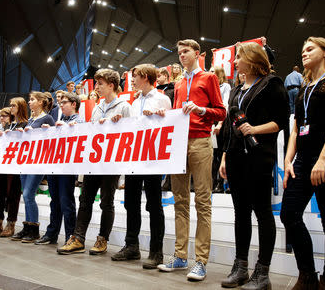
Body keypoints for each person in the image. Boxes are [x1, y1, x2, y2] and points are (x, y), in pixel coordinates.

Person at [280, 37, 325, 290]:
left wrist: (323, 159)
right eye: (302, 50)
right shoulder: (304, 88)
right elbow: (295, 129)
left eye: (310, 49)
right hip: (303, 160)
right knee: (289, 214)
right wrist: (288, 160)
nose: (304, 53)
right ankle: (308, 275)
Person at [219, 42, 289, 289]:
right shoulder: (236, 90)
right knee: (241, 213)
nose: (235, 61)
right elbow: (230, 128)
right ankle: (240, 267)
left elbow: (280, 121)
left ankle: (263, 273)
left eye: (239, 57)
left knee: (262, 212)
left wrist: (255, 129)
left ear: (251, 59)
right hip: (236, 158)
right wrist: (225, 157)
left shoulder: (272, 83)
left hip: (259, 156)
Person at [157, 39, 226, 281]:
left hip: (200, 141)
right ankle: (180, 256)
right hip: (178, 143)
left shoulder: (208, 78)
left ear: (197, 53)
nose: (181, 56)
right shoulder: (177, 84)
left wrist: (201, 110)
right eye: (179, 53)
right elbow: (177, 112)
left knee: (203, 201)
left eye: (185, 52)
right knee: (180, 201)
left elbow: (221, 111)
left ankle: (200, 261)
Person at [57, 68, 131, 255]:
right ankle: (78, 238)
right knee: (85, 199)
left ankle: (102, 239)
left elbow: (131, 136)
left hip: (112, 162)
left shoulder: (124, 106)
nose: (96, 87)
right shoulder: (97, 107)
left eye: (100, 83)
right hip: (95, 161)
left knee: (106, 201)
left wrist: (119, 124)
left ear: (111, 85)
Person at [110, 64, 171, 269]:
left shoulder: (162, 98)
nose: (132, 80)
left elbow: (169, 126)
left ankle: (156, 251)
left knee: (154, 205)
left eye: (134, 76)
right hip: (135, 158)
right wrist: (120, 120)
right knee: (131, 203)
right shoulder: (134, 101)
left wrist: (159, 116)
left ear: (145, 77)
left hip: (153, 159)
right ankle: (132, 246)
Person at [35, 92, 84, 246]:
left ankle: (71, 235)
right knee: (54, 201)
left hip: (67, 167)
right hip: (54, 165)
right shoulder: (60, 120)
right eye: (60, 103)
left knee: (66, 201)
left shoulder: (80, 121)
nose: (61, 105)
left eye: (64, 103)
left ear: (74, 104)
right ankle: (52, 233)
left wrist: (68, 129)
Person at [11, 91, 55, 243]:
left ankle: (34, 229)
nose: (29, 102)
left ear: (41, 102)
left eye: (32, 100)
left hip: (38, 162)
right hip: (27, 161)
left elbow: (55, 138)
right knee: (26, 195)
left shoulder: (47, 118)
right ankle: (28, 227)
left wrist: (46, 131)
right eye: (29, 100)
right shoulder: (30, 119)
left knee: (28, 194)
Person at [0, 97, 28, 237]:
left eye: (14, 105)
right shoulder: (7, 125)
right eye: (10, 105)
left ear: (21, 107)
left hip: (15, 164)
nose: (11, 108)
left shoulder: (25, 124)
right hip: (1, 161)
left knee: (12, 194)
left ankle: (11, 224)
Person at [212, 66, 231, 193]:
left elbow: (225, 106)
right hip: (211, 123)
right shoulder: (210, 86)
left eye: (213, 71)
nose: (210, 73)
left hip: (222, 123)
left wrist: (219, 124)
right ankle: (214, 183)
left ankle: (224, 182)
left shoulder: (225, 87)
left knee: (222, 153)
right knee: (213, 155)